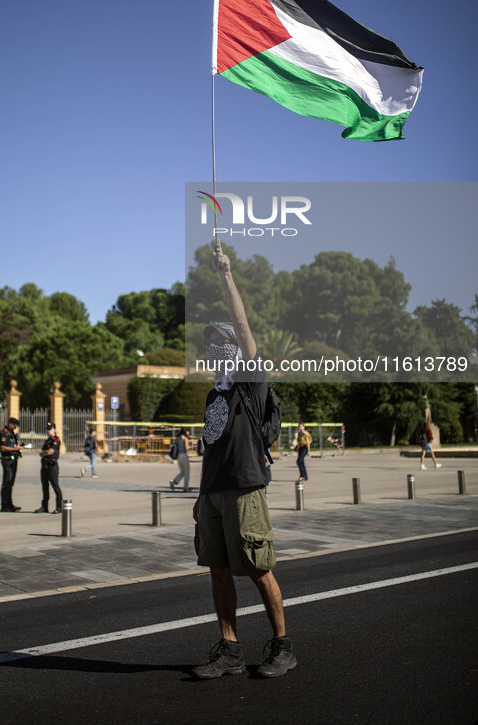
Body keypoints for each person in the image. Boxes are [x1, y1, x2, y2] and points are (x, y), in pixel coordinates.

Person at [192, 248, 297, 680]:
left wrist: (227, 276)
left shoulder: (249, 380)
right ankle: (230, 648)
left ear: (235, 348)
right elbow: (209, 446)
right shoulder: (213, 394)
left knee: (257, 568)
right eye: (209, 343)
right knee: (218, 572)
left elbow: (243, 324)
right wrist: (200, 495)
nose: (213, 346)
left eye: (220, 341)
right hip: (214, 491)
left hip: (246, 486)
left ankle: (282, 646)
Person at [36, 423, 63, 513]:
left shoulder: (56, 440)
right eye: (48, 429)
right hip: (45, 465)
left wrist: (44, 453)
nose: (49, 431)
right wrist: (44, 453)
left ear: (54, 429)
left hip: (52, 466)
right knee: (45, 487)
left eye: (50, 429)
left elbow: (50, 452)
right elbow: (43, 452)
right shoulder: (48, 440)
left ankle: (59, 507)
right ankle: (44, 506)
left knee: (55, 486)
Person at [0, 418, 24, 512]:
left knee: (11, 483)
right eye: (14, 425)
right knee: (6, 482)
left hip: (14, 460)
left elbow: (14, 444)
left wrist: (19, 446)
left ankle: (10, 503)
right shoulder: (4, 433)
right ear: (10, 424)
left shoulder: (13, 433)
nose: (15, 427)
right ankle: (4, 505)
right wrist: (16, 449)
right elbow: (3, 448)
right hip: (7, 461)